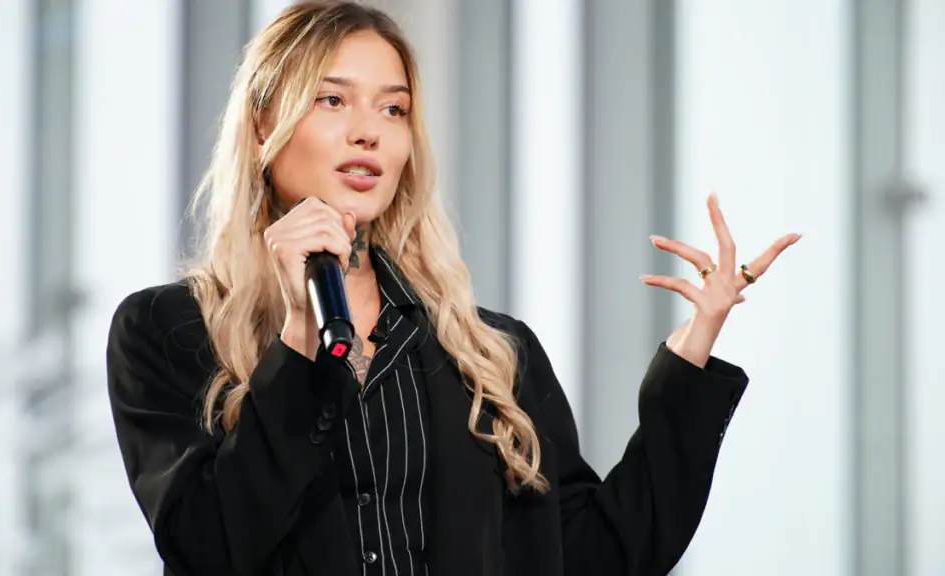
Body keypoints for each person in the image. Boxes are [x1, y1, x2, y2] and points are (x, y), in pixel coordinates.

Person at [105, 2, 799, 575]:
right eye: (332, 99)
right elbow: (207, 547)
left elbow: (599, 554)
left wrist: (692, 351)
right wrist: (298, 340)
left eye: (393, 110)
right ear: (264, 121)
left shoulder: (487, 351)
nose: (367, 133)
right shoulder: (166, 331)